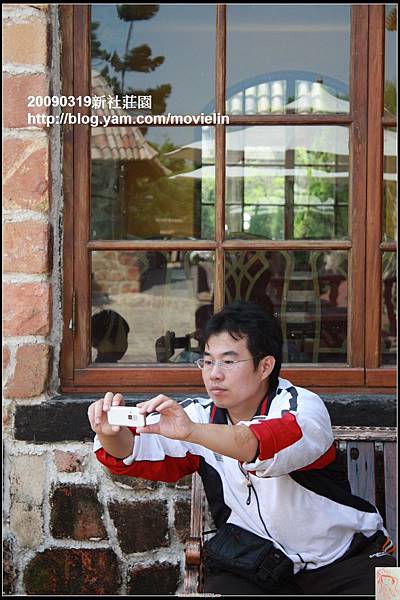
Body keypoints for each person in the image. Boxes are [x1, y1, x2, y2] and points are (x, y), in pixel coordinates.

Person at [87, 301, 396, 595]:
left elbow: (259, 442)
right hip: (255, 564)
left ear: (265, 366)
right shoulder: (198, 415)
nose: (214, 373)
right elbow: (131, 452)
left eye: (229, 361)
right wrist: (109, 432)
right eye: (208, 361)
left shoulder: (302, 407)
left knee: (391, 591)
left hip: (346, 557)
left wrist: (192, 432)